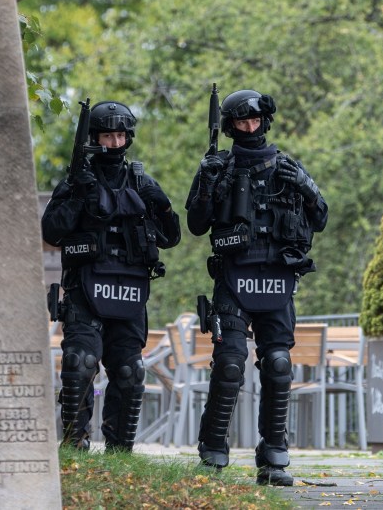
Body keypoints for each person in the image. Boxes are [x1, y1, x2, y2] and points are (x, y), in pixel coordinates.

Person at [185, 89, 328, 486]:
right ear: (230, 127)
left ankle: (273, 457)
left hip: (278, 280)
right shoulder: (218, 166)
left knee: (279, 365)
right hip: (233, 280)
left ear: (264, 122)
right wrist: (209, 182)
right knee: (230, 364)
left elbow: (321, 218)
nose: (249, 127)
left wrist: (305, 185)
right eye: (241, 122)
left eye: (254, 121)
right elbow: (195, 225)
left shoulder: (288, 166)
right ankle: (213, 453)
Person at [42, 100, 181, 452]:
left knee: (131, 372)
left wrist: (160, 203)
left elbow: (172, 237)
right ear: (94, 138)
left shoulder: (140, 181)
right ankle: (75, 446)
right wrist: (78, 195)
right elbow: (51, 233)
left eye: (120, 135)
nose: (115, 143)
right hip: (84, 292)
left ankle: (120, 455)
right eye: (108, 135)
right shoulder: (77, 181)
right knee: (80, 364)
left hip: (130, 293)